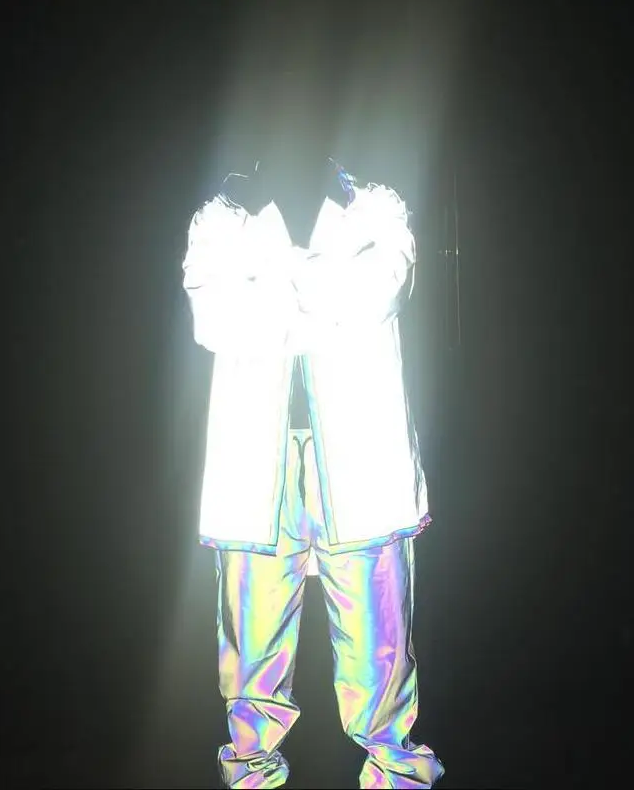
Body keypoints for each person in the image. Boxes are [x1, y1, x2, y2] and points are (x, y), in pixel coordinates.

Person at [182, 112, 444, 788]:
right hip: (255, 473)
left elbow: (382, 289)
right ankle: (252, 778)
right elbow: (214, 316)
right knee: (251, 658)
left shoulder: (380, 210)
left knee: (381, 656)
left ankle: (396, 778)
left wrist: (272, 288)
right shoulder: (218, 220)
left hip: (362, 467)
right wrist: (322, 291)